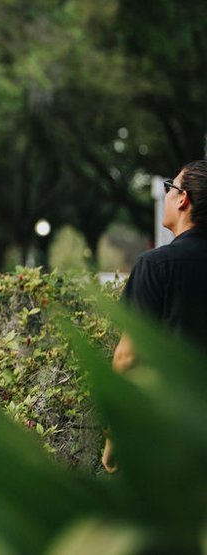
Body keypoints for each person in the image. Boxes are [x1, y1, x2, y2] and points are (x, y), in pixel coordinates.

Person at [102, 159, 207, 472]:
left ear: (183, 198)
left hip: (171, 434)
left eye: (169, 187)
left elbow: (127, 357)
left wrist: (114, 437)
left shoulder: (156, 266)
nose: (166, 194)